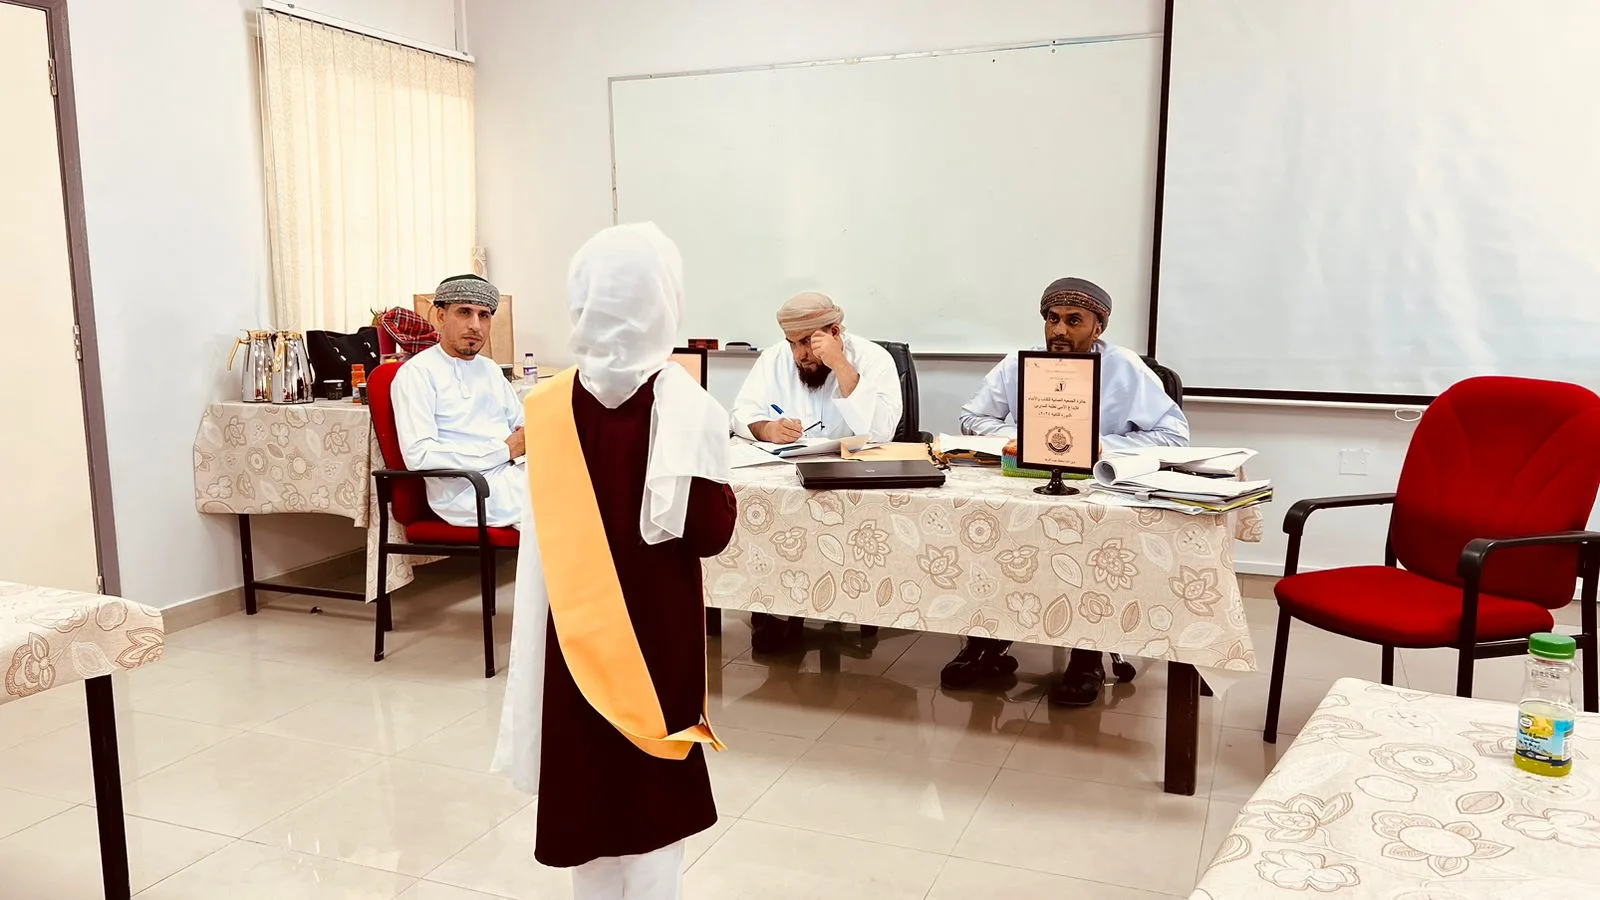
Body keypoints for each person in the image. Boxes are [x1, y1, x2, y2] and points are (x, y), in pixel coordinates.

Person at [492, 223, 735, 900]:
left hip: (571, 628)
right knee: (651, 798)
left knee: (588, 789)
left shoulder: (545, 404)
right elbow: (709, 531)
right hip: (655, 637)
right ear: (664, 300)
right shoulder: (686, 403)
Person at [941, 277, 1191, 707]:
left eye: (1074, 321)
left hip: (1096, 485)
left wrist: (1098, 444)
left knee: (1092, 546)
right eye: (1052, 319)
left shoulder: (1125, 368)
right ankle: (985, 642)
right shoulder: (1019, 363)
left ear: (1098, 328)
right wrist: (1024, 437)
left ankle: (1087, 655)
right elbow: (972, 418)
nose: (1059, 330)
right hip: (1027, 482)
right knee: (989, 535)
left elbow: (1173, 436)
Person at [390, 274, 527, 528]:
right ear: (441, 316)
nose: (475, 326)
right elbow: (419, 455)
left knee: (585, 480)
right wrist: (504, 450)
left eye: (484, 316)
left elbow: (521, 427)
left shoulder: (490, 369)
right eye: (464, 312)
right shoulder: (417, 373)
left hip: (510, 475)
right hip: (466, 491)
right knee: (562, 501)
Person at [729, 292, 903, 445]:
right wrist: (768, 430)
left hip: (852, 467)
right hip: (787, 465)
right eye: (792, 343)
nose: (798, 356)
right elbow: (741, 415)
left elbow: (882, 433)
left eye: (806, 341)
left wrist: (840, 364)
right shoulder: (773, 358)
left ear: (834, 332)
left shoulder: (873, 358)